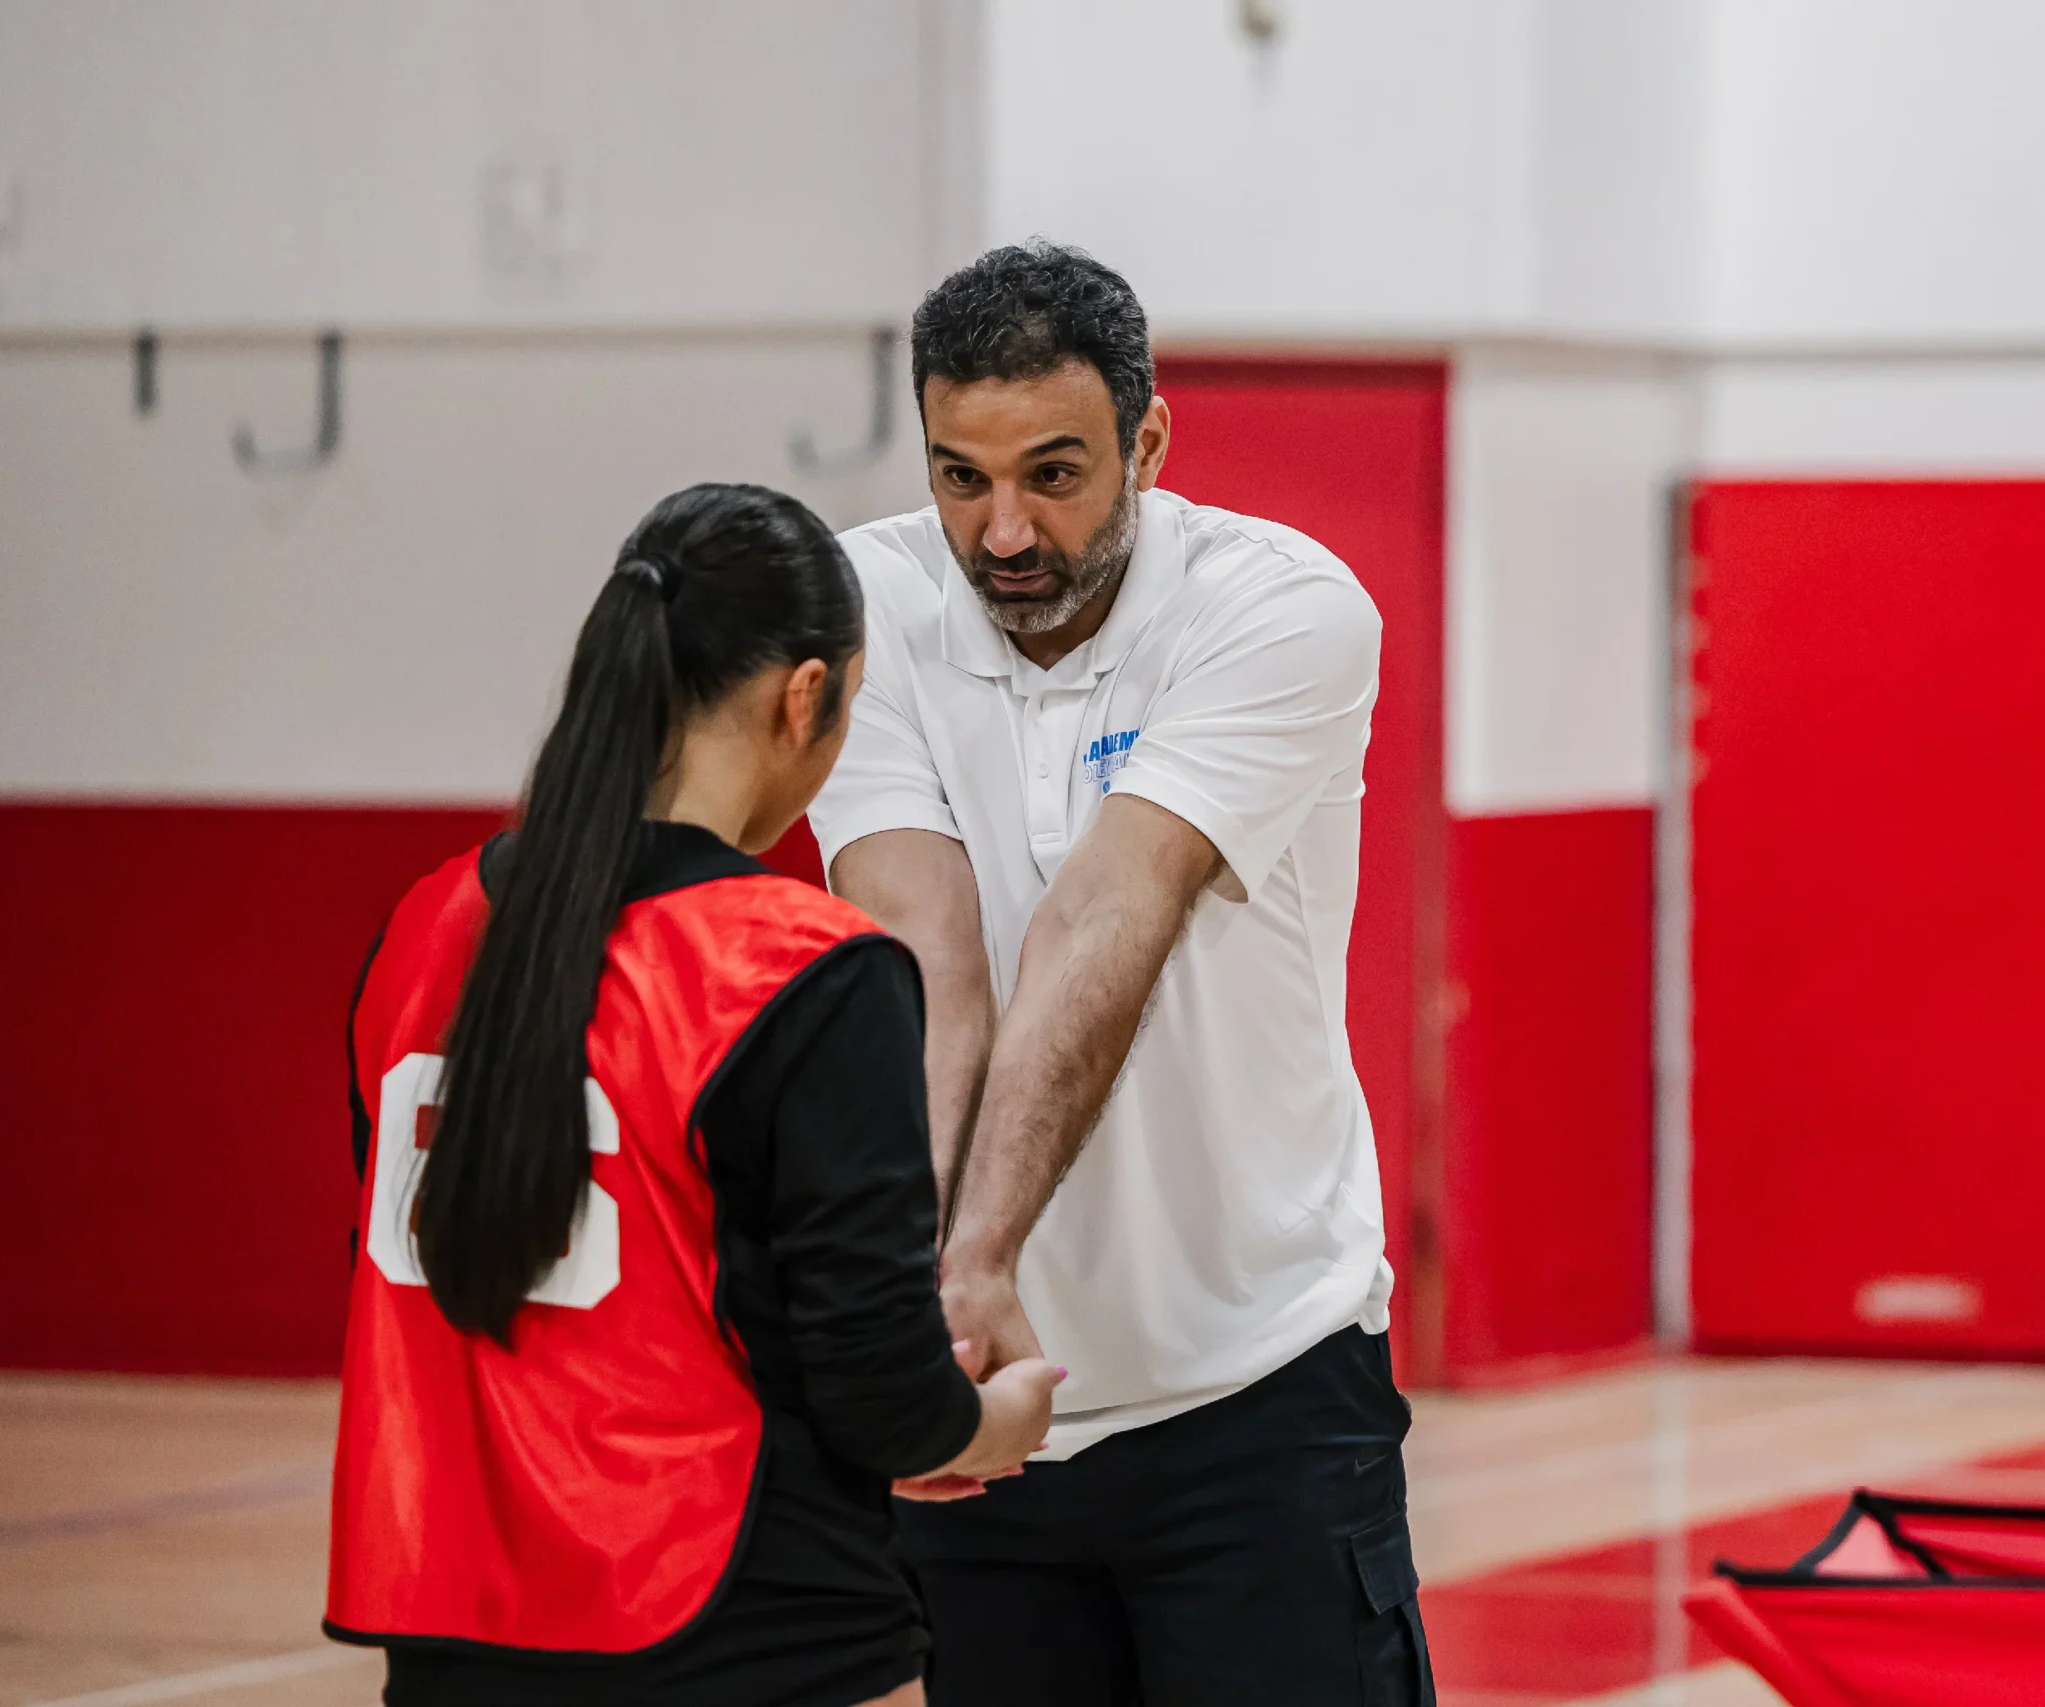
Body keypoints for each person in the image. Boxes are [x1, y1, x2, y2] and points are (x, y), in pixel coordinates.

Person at [812, 244, 1433, 1705]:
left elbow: (1104, 912)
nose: (1004, 527)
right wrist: (937, 1296)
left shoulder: (1279, 605)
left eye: (1055, 471)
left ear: (1149, 440)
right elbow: (928, 957)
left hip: (1260, 1389)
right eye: (961, 476)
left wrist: (970, 1257)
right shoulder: (867, 601)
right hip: (990, 1413)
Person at [324, 483, 1062, 1706]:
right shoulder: (802, 967)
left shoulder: (423, 929)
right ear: (805, 697)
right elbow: (877, 1384)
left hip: (455, 1630)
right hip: (743, 1625)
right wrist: (992, 1422)